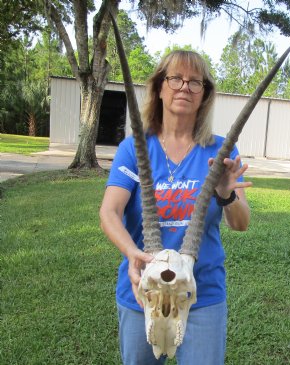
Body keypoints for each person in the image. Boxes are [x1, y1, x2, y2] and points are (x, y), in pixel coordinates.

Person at [99, 50, 252, 365]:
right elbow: (109, 212)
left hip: (201, 292)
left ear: (205, 94)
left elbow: (241, 223)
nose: (185, 87)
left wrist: (226, 194)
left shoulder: (220, 148)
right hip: (143, 291)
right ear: (159, 87)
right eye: (176, 78)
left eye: (195, 82)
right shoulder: (133, 148)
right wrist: (132, 253)